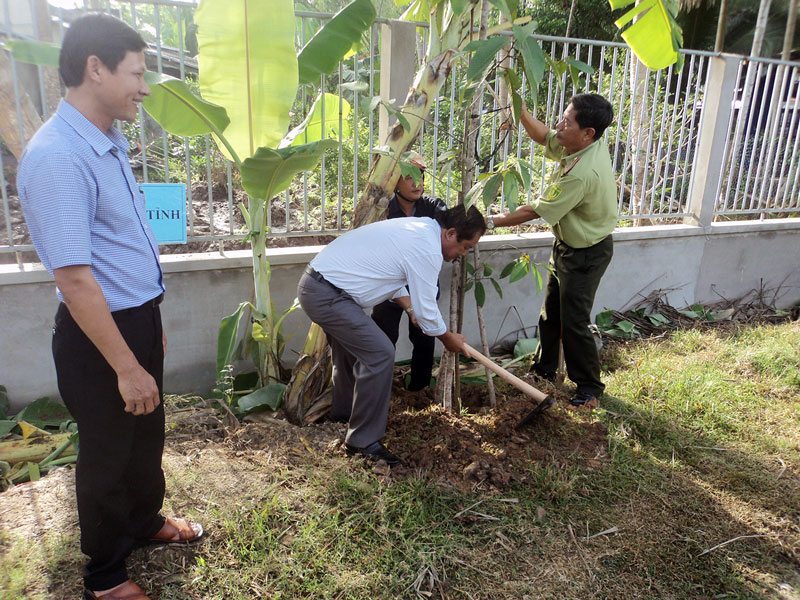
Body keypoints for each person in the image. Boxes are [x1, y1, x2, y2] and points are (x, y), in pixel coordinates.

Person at [17, 14, 202, 600]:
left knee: (147, 438)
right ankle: (104, 574)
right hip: (98, 335)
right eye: (137, 73)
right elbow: (75, 279)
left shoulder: (108, 141)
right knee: (107, 450)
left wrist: (152, 324)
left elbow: (123, 247)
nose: (145, 88)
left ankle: (144, 523)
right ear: (95, 69)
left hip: (135, 317)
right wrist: (125, 364)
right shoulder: (56, 156)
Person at [297, 204, 486, 466]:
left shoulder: (420, 230)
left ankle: (343, 414)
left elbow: (391, 275)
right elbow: (429, 312)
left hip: (321, 286)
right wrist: (448, 338)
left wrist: (409, 307)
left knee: (352, 351)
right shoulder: (427, 247)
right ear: (451, 233)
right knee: (380, 353)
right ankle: (362, 442)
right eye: (465, 247)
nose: (462, 255)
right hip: (328, 293)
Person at [486, 93, 617, 407]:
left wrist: (488, 222)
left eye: (567, 122)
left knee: (574, 322)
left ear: (588, 133)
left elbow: (536, 211)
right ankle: (544, 371)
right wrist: (520, 111)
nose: (560, 125)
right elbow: (544, 135)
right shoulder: (578, 142)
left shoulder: (583, 172)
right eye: (563, 116)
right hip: (568, 245)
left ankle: (589, 388)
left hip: (587, 252)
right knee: (550, 315)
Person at [371, 152, 446, 392]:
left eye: (421, 176)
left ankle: (419, 390)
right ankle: (380, 390)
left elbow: (450, 224)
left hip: (422, 286)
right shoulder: (382, 210)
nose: (418, 183)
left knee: (424, 339)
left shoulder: (432, 207)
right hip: (389, 288)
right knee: (383, 341)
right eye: (410, 177)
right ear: (395, 181)